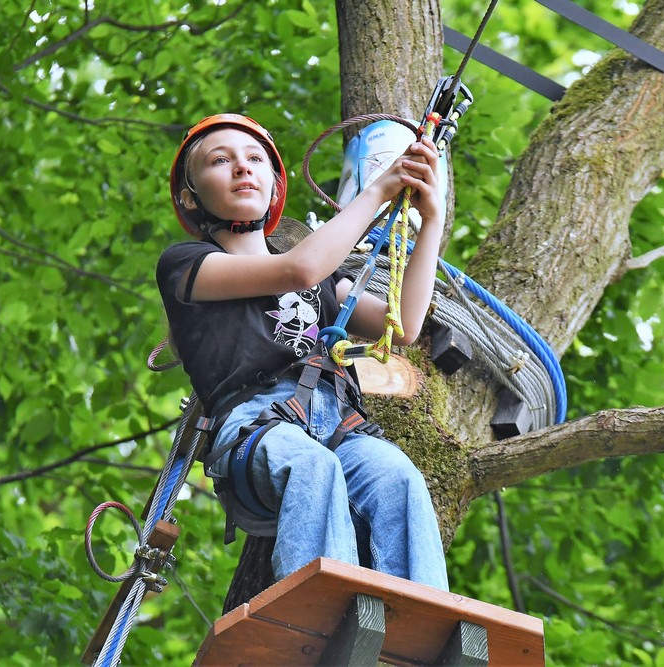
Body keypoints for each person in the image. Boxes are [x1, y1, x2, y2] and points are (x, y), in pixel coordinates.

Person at [156, 113, 448, 590]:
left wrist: (431, 217)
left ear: (273, 188)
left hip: (340, 426)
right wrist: (377, 191)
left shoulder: (327, 282)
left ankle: (421, 624)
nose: (241, 168)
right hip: (258, 428)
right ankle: (318, 616)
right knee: (313, 468)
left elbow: (405, 325)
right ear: (190, 196)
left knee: (398, 477)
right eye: (220, 160)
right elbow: (299, 269)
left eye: (254, 160)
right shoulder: (186, 265)